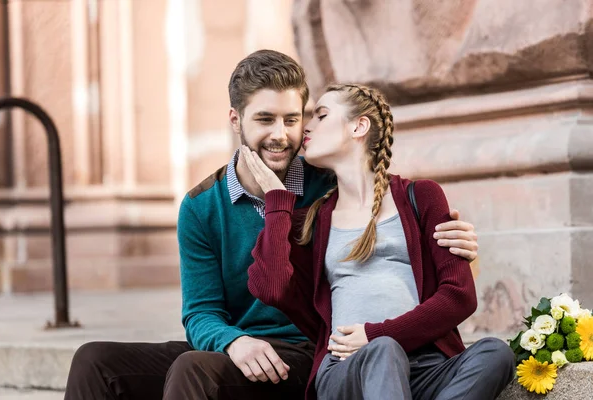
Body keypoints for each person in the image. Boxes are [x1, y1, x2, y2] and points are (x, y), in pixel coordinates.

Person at [63, 50, 479, 400]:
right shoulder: (201, 206)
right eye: (265, 119)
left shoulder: (329, 188)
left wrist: (455, 240)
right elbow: (201, 312)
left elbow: (391, 226)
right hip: (240, 347)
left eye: (292, 119)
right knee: (94, 361)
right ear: (235, 119)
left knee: (193, 370)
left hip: (306, 349)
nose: (280, 135)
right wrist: (234, 341)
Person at [245, 83, 515, 400]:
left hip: (429, 366)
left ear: (359, 126)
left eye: (321, 115)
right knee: (383, 351)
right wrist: (277, 202)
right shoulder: (313, 220)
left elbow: (460, 296)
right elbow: (271, 288)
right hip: (346, 367)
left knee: (496, 353)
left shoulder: (421, 196)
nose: (308, 126)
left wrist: (377, 333)